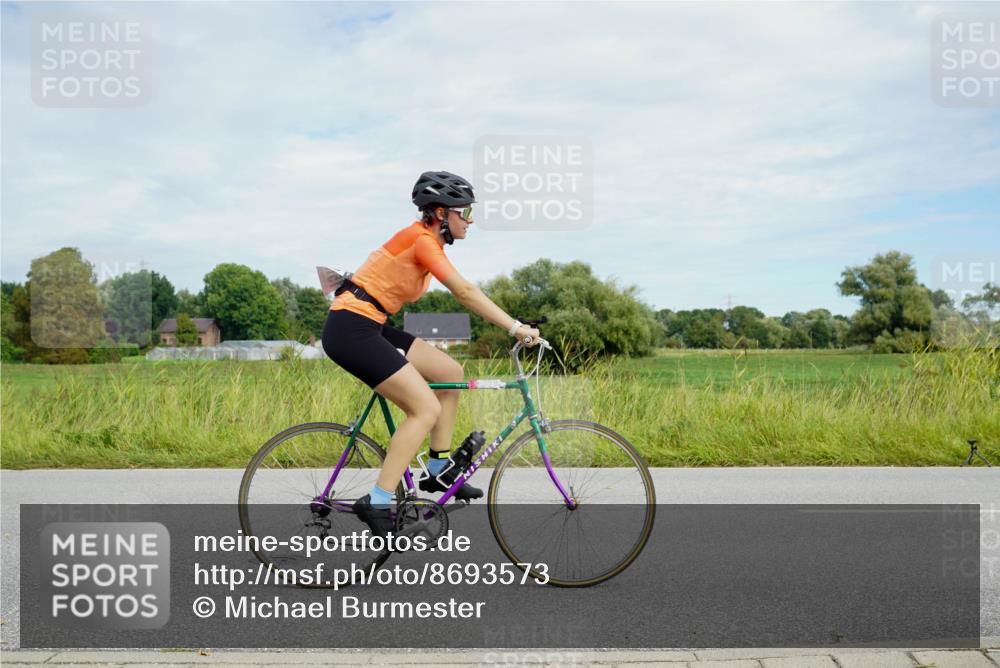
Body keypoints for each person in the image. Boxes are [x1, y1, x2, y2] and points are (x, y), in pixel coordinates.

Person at [321, 171, 540, 537]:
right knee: (424, 409)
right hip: (351, 329)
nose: (470, 221)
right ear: (441, 214)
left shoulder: (428, 243)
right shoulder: (422, 240)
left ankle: (437, 471)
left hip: (369, 324)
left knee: (449, 371)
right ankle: (377, 500)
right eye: (464, 212)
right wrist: (514, 326)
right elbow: (465, 292)